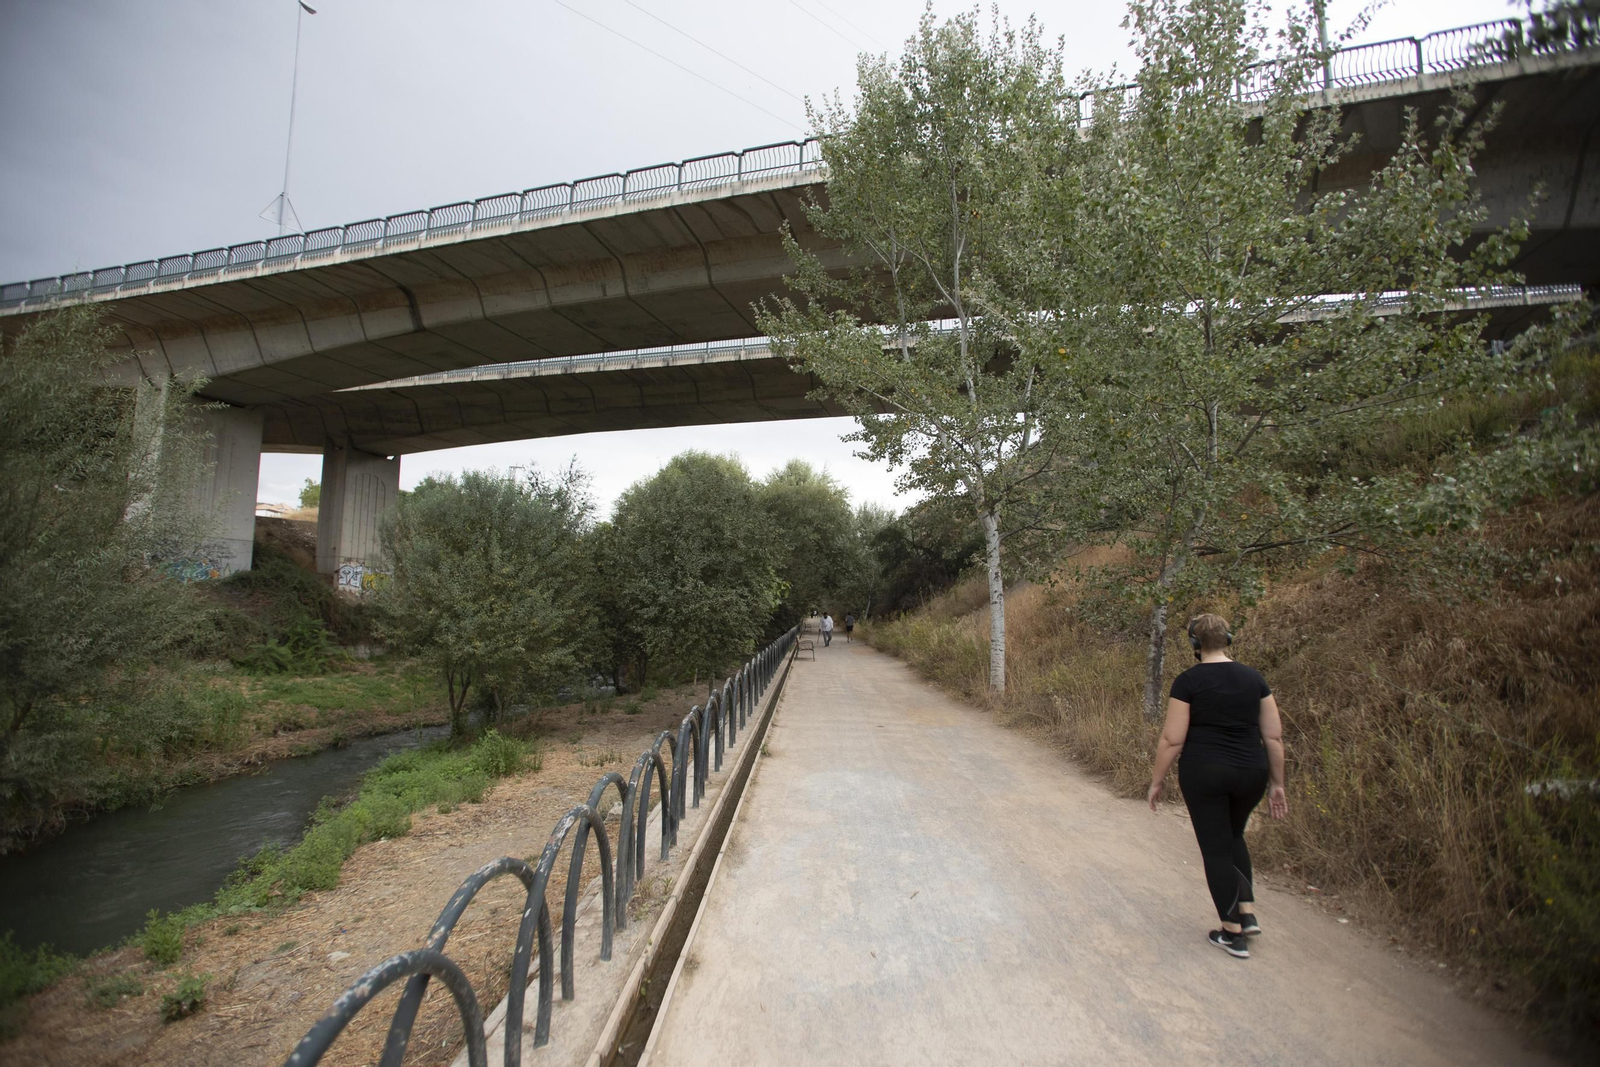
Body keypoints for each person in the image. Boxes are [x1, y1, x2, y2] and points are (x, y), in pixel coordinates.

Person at [1147, 613, 1288, 959]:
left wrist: (1157, 780)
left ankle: (1232, 933)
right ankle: (1247, 912)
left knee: (1215, 850)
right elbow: (1273, 736)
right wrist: (1277, 784)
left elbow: (1172, 739)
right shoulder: (1255, 679)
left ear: (1195, 644)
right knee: (1234, 836)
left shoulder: (1188, 681)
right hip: (1251, 773)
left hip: (1205, 773)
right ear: (1229, 638)